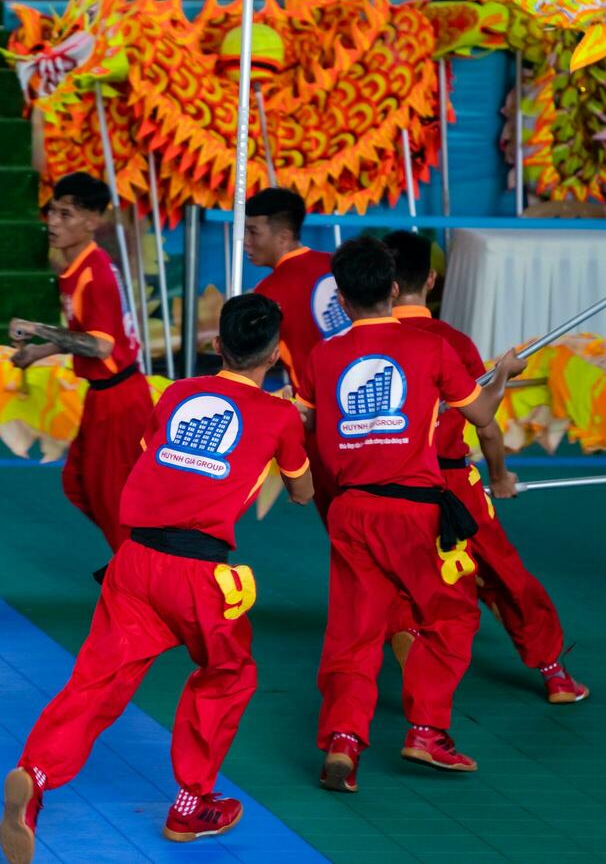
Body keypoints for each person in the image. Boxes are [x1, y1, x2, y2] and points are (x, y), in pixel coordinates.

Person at [0, 295, 313, 860]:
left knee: (97, 681)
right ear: (276, 355)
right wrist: (291, 424)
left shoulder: (177, 394)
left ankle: (36, 775)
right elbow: (301, 493)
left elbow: (157, 457)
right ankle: (193, 804)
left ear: (216, 346)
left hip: (134, 561)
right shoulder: (281, 415)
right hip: (197, 575)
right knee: (227, 673)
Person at [297, 236, 525, 791]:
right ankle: (426, 730)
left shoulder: (322, 356)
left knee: (354, 632)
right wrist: (502, 374)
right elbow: (483, 414)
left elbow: (302, 424)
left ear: (343, 301)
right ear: (394, 290)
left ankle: (344, 743)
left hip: (351, 511)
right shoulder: (430, 348)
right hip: (415, 513)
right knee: (452, 616)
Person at [380, 231, 587, 704]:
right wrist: (499, 476)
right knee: (504, 574)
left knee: (397, 576)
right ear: (431, 279)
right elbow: (487, 426)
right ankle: (553, 671)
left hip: (389, 486)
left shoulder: (358, 345)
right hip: (454, 484)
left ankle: (409, 639)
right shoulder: (451, 341)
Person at [10, 171, 150, 553]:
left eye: (66, 215)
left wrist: (36, 329)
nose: (53, 223)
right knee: (78, 483)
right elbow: (85, 334)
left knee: (112, 498)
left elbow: (100, 347)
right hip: (103, 397)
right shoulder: (77, 268)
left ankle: (134, 573)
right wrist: (40, 351)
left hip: (120, 401)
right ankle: (134, 560)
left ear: (93, 221)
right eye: (52, 212)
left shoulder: (96, 273)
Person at [246, 187, 347, 522]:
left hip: (321, 421)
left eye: (253, 232)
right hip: (374, 411)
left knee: (344, 525)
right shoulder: (338, 265)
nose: (245, 241)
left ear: (284, 235)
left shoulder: (269, 293)